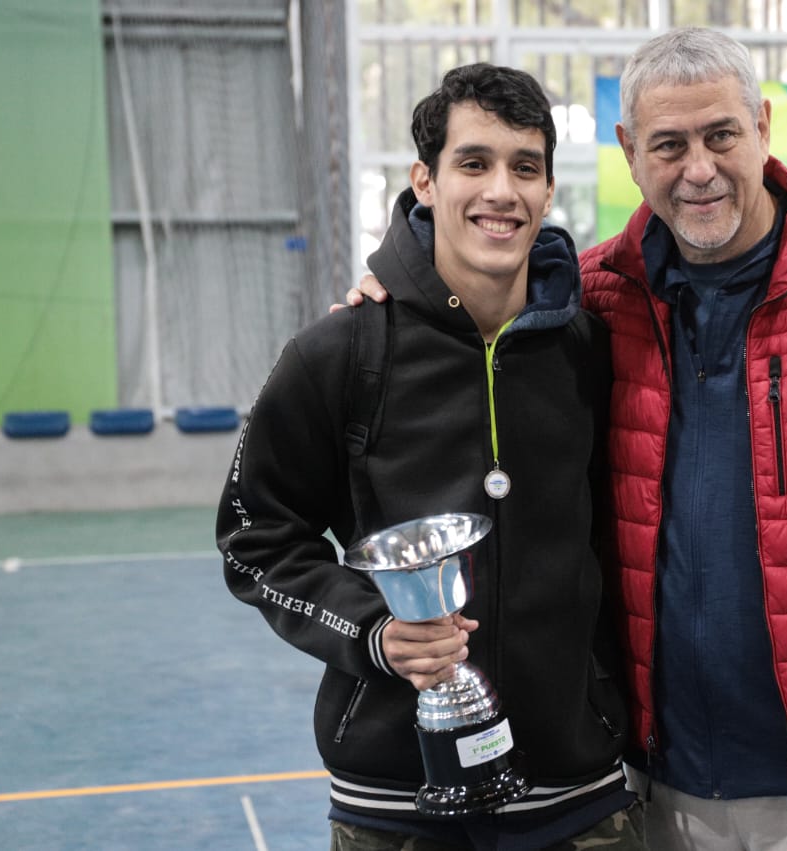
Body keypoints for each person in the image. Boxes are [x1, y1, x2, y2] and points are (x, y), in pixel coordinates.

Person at [353, 28, 787, 848]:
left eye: (721, 136)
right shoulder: (593, 299)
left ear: (764, 128)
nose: (699, 169)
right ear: (630, 152)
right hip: (659, 777)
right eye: (669, 145)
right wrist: (394, 286)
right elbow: (473, 291)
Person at [217, 63, 643, 850]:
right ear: (424, 180)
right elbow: (255, 538)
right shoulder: (338, 352)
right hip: (395, 801)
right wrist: (374, 631)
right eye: (473, 163)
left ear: (549, 190)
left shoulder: (593, 348)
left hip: (580, 797)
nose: (500, 192)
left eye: (524, 167)